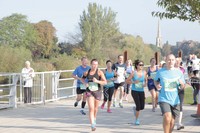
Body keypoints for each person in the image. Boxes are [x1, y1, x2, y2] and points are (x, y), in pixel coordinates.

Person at [154, 54, 186, 133]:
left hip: (175, 100)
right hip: (164, 98)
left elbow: (182, 87)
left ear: (175, 61)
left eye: (172, 60)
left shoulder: (179, 73)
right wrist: (157, 85)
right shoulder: (160, 72)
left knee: (172, 121)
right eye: (169, 60)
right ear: (165, 60)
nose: (170, 61)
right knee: (167, 117)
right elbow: (155, 80)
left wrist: (182, 85)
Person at [81, 59, 107, 131]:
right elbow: (82, 79)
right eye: (93, 64)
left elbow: (105, 82)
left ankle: (94, 119)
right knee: (91, 108)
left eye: (96, 64)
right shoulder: (87, 72)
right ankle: (92, 124)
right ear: (91, 64)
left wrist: (97, 81)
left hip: (97, 91)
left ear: (97, 65)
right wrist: (85, 83)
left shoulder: (99, 72)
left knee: (95, 108)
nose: (94, 66)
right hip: (89, 91)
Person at [126, 59, 147, 125]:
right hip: (134, 91)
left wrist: (145, 84)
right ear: (137, 65)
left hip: (141, 91)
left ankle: (135, 109)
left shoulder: (144, 72)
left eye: (142, 65)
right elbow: (127, 81)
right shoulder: (133, 73)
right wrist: (133, 82)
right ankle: (137, 120)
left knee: (142, 107)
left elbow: (146, 80)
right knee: (138, 106)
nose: (141, 66)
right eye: (140, 65)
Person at [175, 57, 185, 130]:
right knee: (173, 105)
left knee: (180, 105)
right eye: (177, 61)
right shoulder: (170, 70)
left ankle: (179, 123)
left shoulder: (182, 70)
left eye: (179, 61)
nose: (178, 63)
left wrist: (182, 85)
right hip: (172, 90)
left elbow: (183, 82)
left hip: (181, 90)